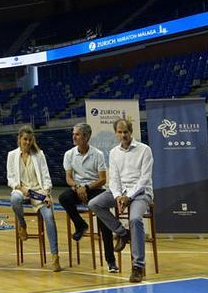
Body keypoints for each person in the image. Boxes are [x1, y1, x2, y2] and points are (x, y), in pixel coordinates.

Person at [89, 118, 154, 283]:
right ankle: (122, 233)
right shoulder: (113, 153)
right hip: (120, 192)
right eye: (120, 132)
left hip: (141, 193)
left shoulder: (144, 150)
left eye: (126, 131)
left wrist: (128, 197)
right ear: (116, 133)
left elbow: (144, 179)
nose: (123, 135)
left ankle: (137, 266)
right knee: (94, 204)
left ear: (131, 132)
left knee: (135, 219)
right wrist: (118, 196)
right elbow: (114, 179)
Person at [58, 123, 118, 273]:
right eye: (74, 134)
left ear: (86, 137)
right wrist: (78, 188)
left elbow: (102, 179)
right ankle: (80, 225)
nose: (74, 137)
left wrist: (86, 188)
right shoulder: (69, 154)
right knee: (64, 197)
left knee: (103, 221)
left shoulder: (97, 154)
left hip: (94, 189)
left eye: (77, 134)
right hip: (78, 189)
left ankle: (111, 261)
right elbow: (68, 178)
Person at [6, 124, 61, 272]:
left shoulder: (39, 155)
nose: (27, 142)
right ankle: (22, 225)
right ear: (19, 139)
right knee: (14, 200)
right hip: (21, 190)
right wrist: (19, 187)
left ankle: (55, 257)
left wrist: (46, 193)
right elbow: (10, 179)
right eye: (25, 139)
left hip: (38, 191)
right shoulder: (12, 155)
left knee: (49, 217)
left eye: (30, 140)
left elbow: (47, 178)